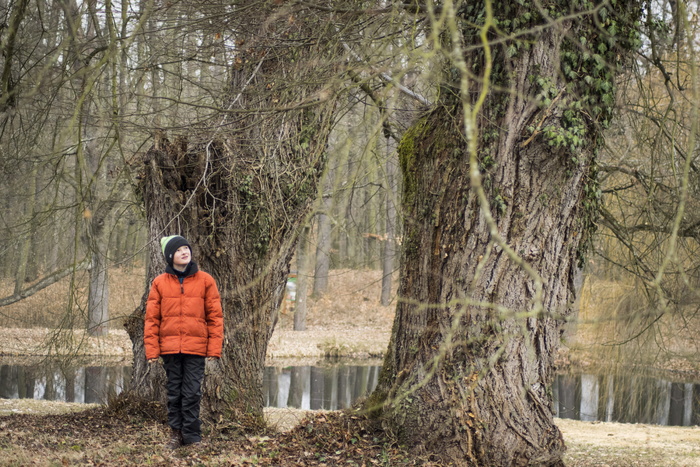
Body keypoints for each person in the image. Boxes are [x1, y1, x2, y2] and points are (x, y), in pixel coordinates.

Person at [144, 235, 224, 449]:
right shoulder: (159, 283)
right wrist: (152, 352)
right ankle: (175, 434)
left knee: (191, 393)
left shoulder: (206, 280)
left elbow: (215, 318)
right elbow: (152, 320)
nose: (184, 251)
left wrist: (214, 350)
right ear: (170, 256)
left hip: (196, 349)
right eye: (179, 249)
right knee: (174, 393)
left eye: (186, 247)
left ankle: (192, 437)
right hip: (169, 349)